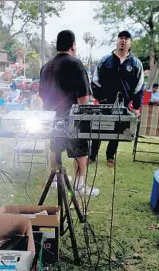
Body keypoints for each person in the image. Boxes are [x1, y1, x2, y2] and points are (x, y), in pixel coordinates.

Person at [39, 30, 99, 196]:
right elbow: (84, 98)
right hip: (73, 119)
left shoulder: (46, 67)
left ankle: (56, 180)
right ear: (73, 45)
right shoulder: (75, 64)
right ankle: (79, 186)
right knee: (80, 152)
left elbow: (42, 96)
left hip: (51, 118)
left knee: (54, 148)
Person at [90, 30, 145, 167]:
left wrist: (136, 107)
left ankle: (110, 156)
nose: (123, 41)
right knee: (98, 129)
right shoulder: (105, 61)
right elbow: (95, 81)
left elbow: (139, 86)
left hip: (122, 105)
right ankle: (92, 155)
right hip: (104, 103)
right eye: (121, 38)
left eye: (126, 38)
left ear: (130, 43)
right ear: (117, 40)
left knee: (116, 132)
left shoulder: (136, 64)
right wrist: (99, 98)